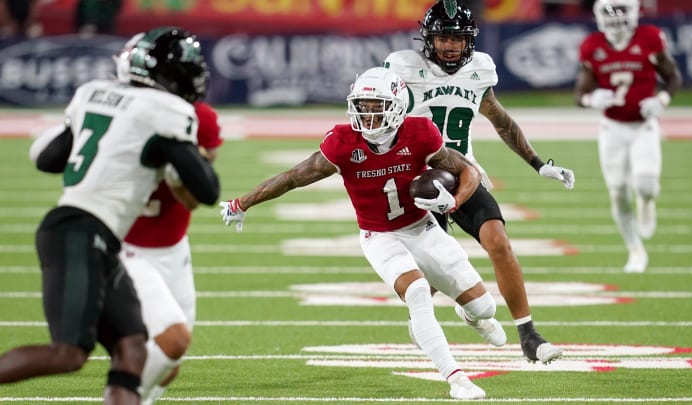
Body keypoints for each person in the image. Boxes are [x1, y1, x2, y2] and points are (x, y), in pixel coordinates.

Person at [221, 67, 506, 400]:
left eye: (377, 106)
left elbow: (466, 170)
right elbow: (293, 177)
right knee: (416, 291)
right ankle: (457, 378)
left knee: (484, 309)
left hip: (422, 227)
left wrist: (454, 202)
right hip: (379, 235)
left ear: (398, 106)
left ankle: (470, 316)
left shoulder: (421, 133)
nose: (369, 115)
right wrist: (242, 203)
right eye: (363, 106)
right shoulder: (343, 143)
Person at [0, 26, 220, 404]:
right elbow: (208, 190)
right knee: (68, 353)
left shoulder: (94, 94)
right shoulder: (168, 111)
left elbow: (47, 158)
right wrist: (170, 154)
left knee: (133, 349)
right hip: (80, 230)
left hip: (94, 235)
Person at [383, 0, 572, 364]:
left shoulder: (480, 70)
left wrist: (537, 164)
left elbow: (500, 119)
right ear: (428, 38)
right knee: (433, 277)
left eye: (458, 38)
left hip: (463, 175)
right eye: (443, 37)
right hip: (418, 182)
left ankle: (529, 334)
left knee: (498, 240)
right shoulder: (404, 69)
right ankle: (466, 312)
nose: (451, 45)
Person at [113, 31, 224, 405]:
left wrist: (176, 170)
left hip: (173, 247)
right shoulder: (121, 112)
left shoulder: (200, 118)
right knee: (170, 341)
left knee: (169, 361)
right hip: (124, 244)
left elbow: (194, 199)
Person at [574, 0, 681, 273]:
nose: (615, 16)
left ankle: (646, 202)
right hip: (612, 128)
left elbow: (672, 76)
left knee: (646, 186)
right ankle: (635, 250)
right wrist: (590, 99)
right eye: (610, 10)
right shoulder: (593, 45)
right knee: (618, 191)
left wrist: (663, 100)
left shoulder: (649, 38)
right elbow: (580, 94)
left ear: (632, 11)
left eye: (620, 9)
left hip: (643, 126)